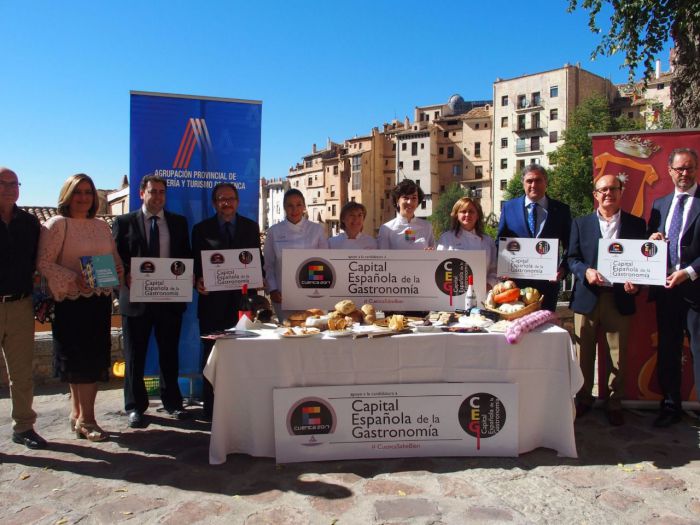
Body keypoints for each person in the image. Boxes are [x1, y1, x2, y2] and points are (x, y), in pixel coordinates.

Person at [37, 174, 123, 442]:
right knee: (78, 362)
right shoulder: (56, 225)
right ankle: (88, 419)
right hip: (71, 304)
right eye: (78, 192)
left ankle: (78, 415)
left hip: (98, 302)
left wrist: (118, 270)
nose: (84, 197)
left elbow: (114, 260)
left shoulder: (101, 226)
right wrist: (75, 278)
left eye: (88, 192)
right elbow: (44, 263)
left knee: (93, 359)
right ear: (67, 194)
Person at [113, 175, 191, 428]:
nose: (157, 196)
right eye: (152, 191)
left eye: (161, 192)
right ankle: (135, 407)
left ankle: (173, 403)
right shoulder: (123, 222)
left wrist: (190, 277)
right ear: (141, 193)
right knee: (135, 356)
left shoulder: (178, 223)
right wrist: (126, 272)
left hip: (169, 300)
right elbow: (115, 258)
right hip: (136, 302)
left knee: (169, 354)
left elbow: (185, 257)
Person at [568, 174, 646, 426]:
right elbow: (571, 258)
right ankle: (584, 399)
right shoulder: (580, 223)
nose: (608, 193)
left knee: (618, 355)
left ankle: (615, 402)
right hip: (587, 297)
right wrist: (585, 271)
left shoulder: (637, 224)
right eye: (603, 189)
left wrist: (637, 283)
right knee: (583, 354)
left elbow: (644, 262)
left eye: (613, 188)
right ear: (595, 195)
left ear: (621, 192)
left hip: (619, 298)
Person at [192, 183, 262, 420]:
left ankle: (241, 408)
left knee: (244, 358)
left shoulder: (251, 228)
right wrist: (197, 281)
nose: (226, 203)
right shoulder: (201, 230)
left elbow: (257, 263)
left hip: (242, 306)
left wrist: (256, 277)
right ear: (214, 203)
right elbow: (194, 266)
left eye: (231, 198)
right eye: (221, 199)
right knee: (211, 357)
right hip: (212, 305)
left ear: (238, 202)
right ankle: (211, 410)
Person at [647, 147, 700, 427]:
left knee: (698, 351)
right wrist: (653, 239)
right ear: (669, 171)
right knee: (668, 349)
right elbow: (648, 246)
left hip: (695, 289)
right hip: (666, 289)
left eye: (689, 167)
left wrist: (688, 272)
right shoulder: (660, 204)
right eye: (679, 168)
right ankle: (670, 405)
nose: (684, 173)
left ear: (696, 169)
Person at [0, 168, 47, 449]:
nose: (9, 188)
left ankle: (24, 427)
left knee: (21, 373)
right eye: (3, 184)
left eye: (13, 184)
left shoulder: (30, 223)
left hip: (20, 304)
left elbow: (38, 264)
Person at [497, 164, 572, 311]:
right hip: (515, 285)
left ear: (546, 182)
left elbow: (570, 245)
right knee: (516, 329)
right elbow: (499, 241)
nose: (533, 185)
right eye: (529, 181)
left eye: (538, 180)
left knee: (545, 330)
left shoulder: (561, 210)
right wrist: (503, 266)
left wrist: (563, 269)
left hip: (547, 285)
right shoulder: (509, 207)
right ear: (523, 183)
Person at [263, 188, 327, 322]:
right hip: (283, 295)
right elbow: (268, 264)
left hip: (312, 293)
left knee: (313, 331)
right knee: (288, 334)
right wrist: (273, 290)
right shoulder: (274, 231)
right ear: (284, 207)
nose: (295, 209)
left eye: (298, 205)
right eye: (290, 205)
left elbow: (324, 262)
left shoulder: (317, 230)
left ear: (304, 206)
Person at [437, 196, 497, 289]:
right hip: (452, 294)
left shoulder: (488, 241)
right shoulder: (446, 238)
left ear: (477, 216)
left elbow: (494, 270)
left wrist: (488, 285)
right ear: (456, 215)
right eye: (463, 211)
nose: (467, 214)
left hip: (481, 293)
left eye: (471, 211)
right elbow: (438, 268)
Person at [377, 179, 435, 249]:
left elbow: (434, 256)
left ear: (418, 201)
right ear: (397, 200)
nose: (410, 202)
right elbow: (383, 257)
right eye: (406, 197)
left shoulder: (427, 227)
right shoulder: (386, 229)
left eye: (414, 198)